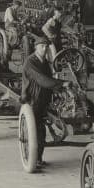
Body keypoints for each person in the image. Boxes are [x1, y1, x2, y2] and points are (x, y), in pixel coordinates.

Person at [21, 36, 66, 170]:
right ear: (36, 47)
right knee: (35, 131)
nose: (45, 48)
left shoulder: (45, 62)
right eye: (42, 46)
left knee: (41, 130)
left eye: (46, 46)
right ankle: (32, 160)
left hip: (44, 99)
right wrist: (61, 84)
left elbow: (50, 79)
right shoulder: (30, 62)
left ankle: (38, 159)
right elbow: (42, 80)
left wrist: (60, 90)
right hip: (32, 99)